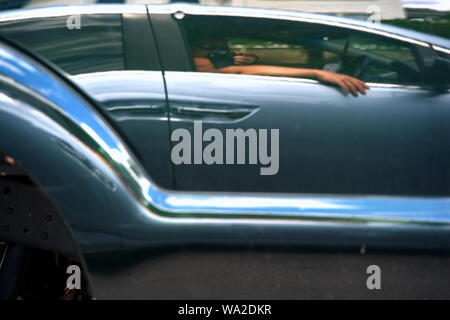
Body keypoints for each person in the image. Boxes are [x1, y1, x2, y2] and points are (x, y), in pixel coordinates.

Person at [192, 37, 369, 96]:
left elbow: (244, 68)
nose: (217, 54)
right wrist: (316, 73)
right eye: (207, 48)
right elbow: (241, 71)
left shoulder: (216, 66)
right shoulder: (186, 63)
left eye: (223, 49)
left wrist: (253, 58)